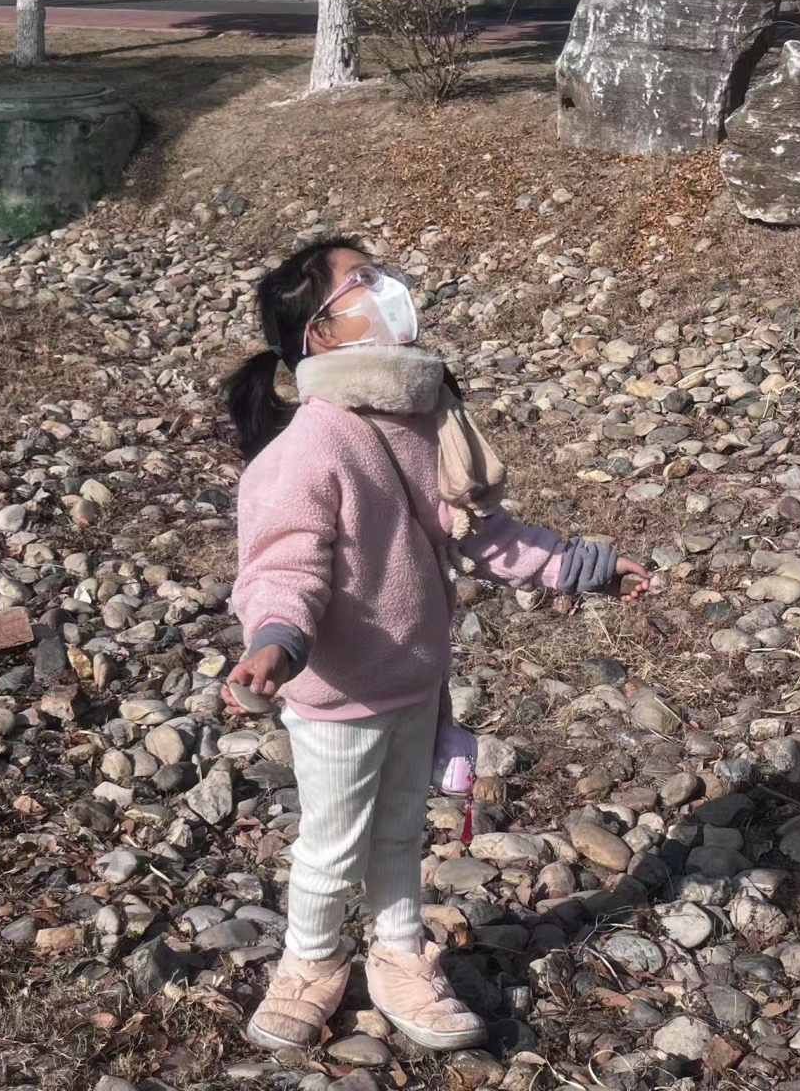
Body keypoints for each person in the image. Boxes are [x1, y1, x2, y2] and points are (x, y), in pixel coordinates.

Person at [223, 238, 650, 1054]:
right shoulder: (311, 445)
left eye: (380, 273)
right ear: (319, 332)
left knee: (398, 834)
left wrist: (584, 566)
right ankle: (309, 960)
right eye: (360, 282)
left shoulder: (424, 417)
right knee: (331, 843)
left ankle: (398, 953)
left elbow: (484, 534)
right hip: (340, 693)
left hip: (416, 681)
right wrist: (277, 639)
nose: (386, 288)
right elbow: (283, 564)